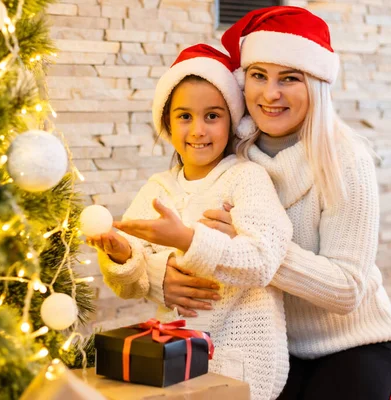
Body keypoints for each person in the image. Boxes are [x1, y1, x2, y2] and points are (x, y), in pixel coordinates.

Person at [146, 6, 391, 400]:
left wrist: (252, 251)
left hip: (353, 342)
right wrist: (158, 273)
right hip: (265, 345)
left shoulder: (346, 160)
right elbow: (174, 220)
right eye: (258, 76)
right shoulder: (228, 151)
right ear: (242, 81)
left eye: (289, 78)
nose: (270, 93)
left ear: (316, 84)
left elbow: (347, 289)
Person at [86, 43, 294, 400]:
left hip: (243, 357)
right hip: (175, 359)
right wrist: (123, 255)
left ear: (233, 122)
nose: (198, 129)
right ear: (167, 123)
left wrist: (186, 239)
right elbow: (132, 282)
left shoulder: (247, 179)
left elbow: (262, 261)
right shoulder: (158, 188)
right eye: (185, 116)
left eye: (212, 116)